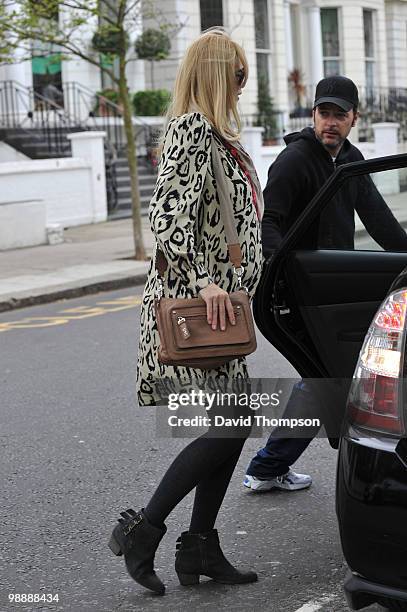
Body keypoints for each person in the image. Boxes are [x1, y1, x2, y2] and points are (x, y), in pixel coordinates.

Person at [108, 29, 263, 595]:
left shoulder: (217, 137)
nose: (244, 88)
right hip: (199, 308)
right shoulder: (190, 131)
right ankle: (144, 531)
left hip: (222, 310)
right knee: (231, 425)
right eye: (239, 77)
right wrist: (205, 282)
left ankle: (198, 548)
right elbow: (166, 218)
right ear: (219, 76)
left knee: (233, 424)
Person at [244, 75, 407, 493]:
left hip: (329, 289)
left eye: (339, 115)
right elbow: (270, 222)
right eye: (323, 113)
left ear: (355, 118)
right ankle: (268, 467)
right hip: (300, 289)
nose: (329, 123)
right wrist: (282, 277)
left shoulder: (350, 161)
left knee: (327, 376)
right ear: (313, 115)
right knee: (326, 378)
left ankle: (269, 467)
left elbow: (381, 222)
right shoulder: (296, 160)